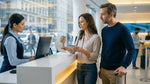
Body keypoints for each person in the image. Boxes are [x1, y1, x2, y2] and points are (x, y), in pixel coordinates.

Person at [99, 3, 135, 84]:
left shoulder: (122, 29)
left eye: (103, 14)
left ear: (111, 14)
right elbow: (104, 50)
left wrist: (124, 66)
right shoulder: (104, 30)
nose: (100, 17)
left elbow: (132, 49)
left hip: (116, 71)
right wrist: (101, 66)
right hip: (104, 70)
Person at [62, 13, 101, 84]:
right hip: (79, 67)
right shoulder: (80, 35)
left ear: (88, 22)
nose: (80, 24)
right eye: (79, 22)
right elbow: (75, 50)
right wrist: (68, 49)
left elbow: (95, 57)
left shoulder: (96, 37)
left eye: (82, 22)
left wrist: (82, 51)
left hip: (90, 68)